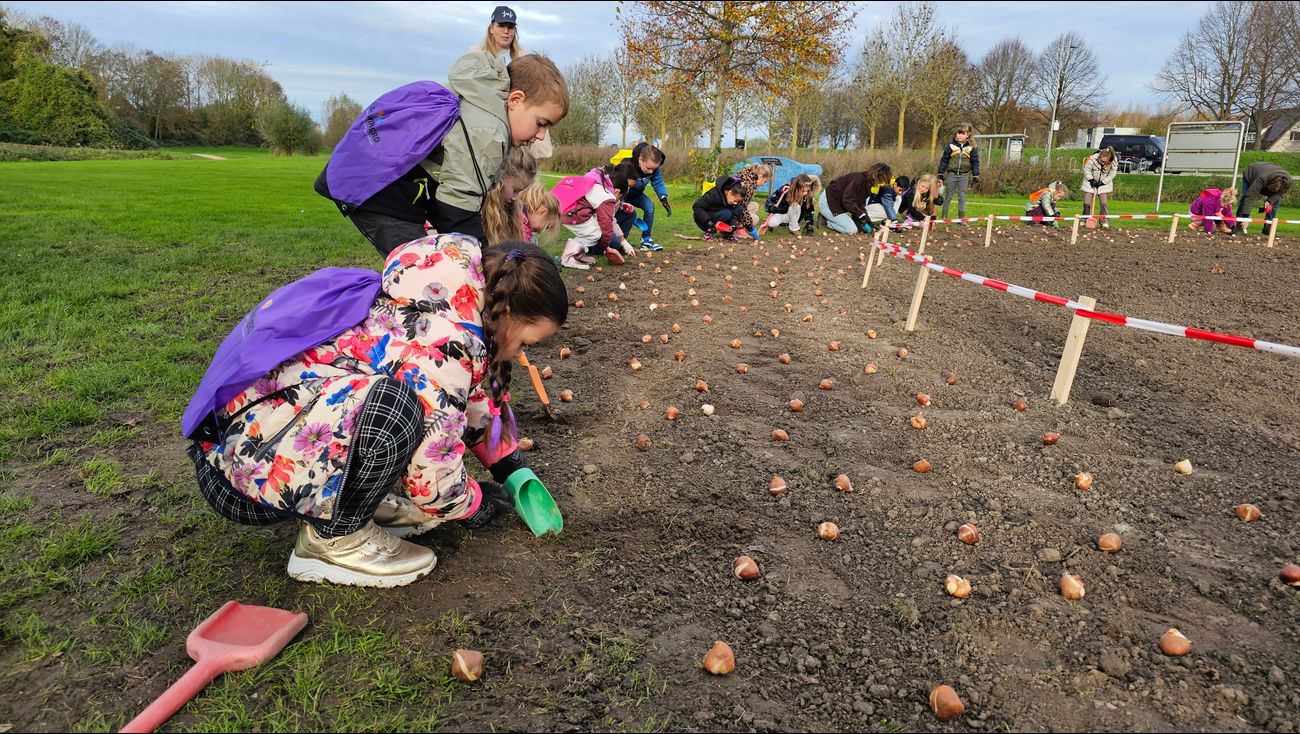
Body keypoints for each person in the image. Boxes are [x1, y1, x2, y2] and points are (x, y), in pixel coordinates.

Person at [184, 237, 568, 588]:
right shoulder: (444, 344)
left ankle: (350, 504)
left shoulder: (438, 296)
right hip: (240, 478)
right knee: (393, 411)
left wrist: (507, 463)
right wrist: (472, 504)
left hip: (249, 444)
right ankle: (332, 540)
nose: (521, 352)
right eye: (528, 340)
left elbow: (464, 399)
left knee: (395, 404)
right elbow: (432, 477)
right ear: (510, 313)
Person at [315, 53, 569, 255]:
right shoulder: (488, 130)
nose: (540, 136)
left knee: (432, 263)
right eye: (541, 123)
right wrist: (486, 261)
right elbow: (456, 209)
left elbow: (450, 193)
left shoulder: (475, 100)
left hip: (376, 180)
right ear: (515, 99)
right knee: (424, 271)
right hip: (376, 190)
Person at [554, 162, 636, 269]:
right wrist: (605, 246)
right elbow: (606, 223)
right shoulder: (606, 196)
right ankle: (569, 258)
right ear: (617, 192)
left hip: (563, 206)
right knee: (596, 234)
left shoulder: (596, 181)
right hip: (571, 212)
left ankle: (577, 255)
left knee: (591, 231)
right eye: (619, 197)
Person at [614, 143, 670, 252]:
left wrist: (663, 197)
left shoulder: (652, 168)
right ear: (640, 160)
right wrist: (622, 203)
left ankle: (646, 240)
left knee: (650, 207)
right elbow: (618, 185)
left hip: (637, 195)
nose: (651, 172)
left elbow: (657, 182)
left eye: (654, 169)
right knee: (624, 214)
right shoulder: (627, 165)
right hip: (623, 194)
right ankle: (620, 240)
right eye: (649, 168)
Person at [481, 147, 539, 245]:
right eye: (515, 190)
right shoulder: (479, 211)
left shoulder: (511, 213)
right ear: (500, 180)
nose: (515, 198)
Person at [818, 163, 892, 235]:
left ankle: (830, 219)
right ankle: (826, 221)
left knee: (856, 227)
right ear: (876, 176)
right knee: (851, 230)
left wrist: (867, 221)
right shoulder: (857, 179)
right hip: (829, 203)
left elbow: (859, 205)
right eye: (882, 181)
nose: (881, 184)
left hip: (837, 205)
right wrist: (861, 215)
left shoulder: (868, 185)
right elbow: (847, 201)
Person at [1233, 162, 1292, 235]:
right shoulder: (1261, 179)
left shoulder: (1287, 182)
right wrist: (1246, 217)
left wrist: (1270, 201)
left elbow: (1280, 193)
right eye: (1271, 191)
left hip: (1270, 170)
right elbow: (1250, 198)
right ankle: (1240, 226)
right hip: (1251, 172)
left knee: (1274, 203)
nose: (1271, 193)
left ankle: (1268, 229)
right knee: (1245, 197)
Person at [938, 122, 979, 221]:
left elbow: (975, 162)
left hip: (964, 175)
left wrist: (975, 175)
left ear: (968, 135)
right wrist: (940, 173)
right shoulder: (951, 146)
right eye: (958, 133)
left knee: (962, 197)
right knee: (949, 195)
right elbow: (944, 160)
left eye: (962, 133)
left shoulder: (971, 148)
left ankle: (961, 219)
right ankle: (944, 217)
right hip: (951, 174)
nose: (960, 135)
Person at [693, 176, 748, 240]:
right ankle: (709, 232)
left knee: (739, 208)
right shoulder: (714, 195)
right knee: (727, 213)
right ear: (729, 192)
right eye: (735, 200)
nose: (735, 203)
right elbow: (697, 206)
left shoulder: (732, 201)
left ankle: (728, 234)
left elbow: (735, 216)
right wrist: (708, 222)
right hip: (704, 220)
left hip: (719, 215)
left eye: (738, 201)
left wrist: (733, 226)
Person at [1081, 146, 1119, 228]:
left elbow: (1112, 174)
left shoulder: (1113, 162)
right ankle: (1084, 220)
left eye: (1105, 162)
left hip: (1104, 184)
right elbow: (1086, 170)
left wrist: (1102, 182)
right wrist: (1091, 180)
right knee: (1087, 202)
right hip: (1090, 182)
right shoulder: (1092, 159)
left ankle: (1104, 221)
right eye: (1101, 161)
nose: (1103, 163)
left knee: (1103, 203)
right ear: (1099, 156)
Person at [733, 164, 773, 239]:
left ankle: (739, 226)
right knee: (755, 218)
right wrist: (751, 229)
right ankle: (738, 228)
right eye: (765, 181)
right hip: (732, 208)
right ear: (760, 176)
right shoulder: (748, 186)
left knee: (754, 205)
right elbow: (742, 208)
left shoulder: (748, 174)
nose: (764, 184)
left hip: (733, 205)